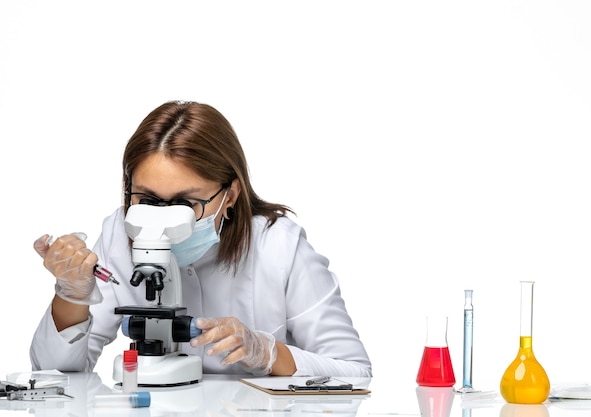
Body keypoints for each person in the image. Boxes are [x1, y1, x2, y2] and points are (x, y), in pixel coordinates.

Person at [30, 100, 372, 378]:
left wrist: (268, 353)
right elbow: (52, 378)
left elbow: (354, 372)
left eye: (185, 203)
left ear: (231, 195)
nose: (161, 218)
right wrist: (72, 293)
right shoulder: (120, 232)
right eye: (147, 200)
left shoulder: (278, 246)